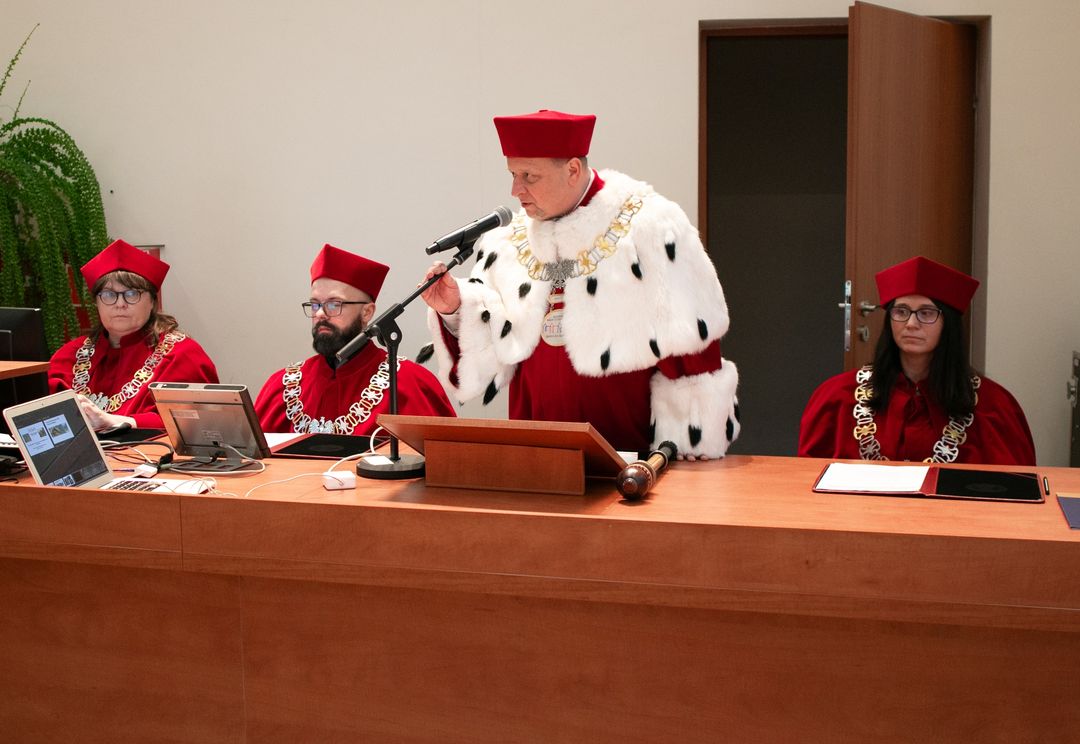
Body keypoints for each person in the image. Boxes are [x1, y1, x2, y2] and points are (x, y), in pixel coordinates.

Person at [421, 109, 739, 458]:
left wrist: (683, 453)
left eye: (529, 176)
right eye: (512, 174)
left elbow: (691, 353)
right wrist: (455, 307)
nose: (515, 190)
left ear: (572, 169)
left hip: (630, 461)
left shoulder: (651, 227)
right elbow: (493, 343)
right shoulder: (507, 240)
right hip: (535, 456)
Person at [798, 256, 1035, 465]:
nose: (911, 324)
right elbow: (805, 480)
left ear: (948, 324)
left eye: (926, 313)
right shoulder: (836, 397)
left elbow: (1016, 488)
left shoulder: (994, 407)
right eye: (901, 311)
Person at [255, 244, 456, 435]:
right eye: (315, 305)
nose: (320, 314)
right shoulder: (281, 386)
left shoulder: (409, 383)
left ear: (367, 312)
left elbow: (444, 455)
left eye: (334, 304)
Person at [48, 239, 219, 430]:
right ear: (97, 302)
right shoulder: (68, 356)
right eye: (108, 294)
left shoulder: (182, 355)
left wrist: (115, 422)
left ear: (152, 302)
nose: (120, 304)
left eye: (131, 294)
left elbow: (197, 421)